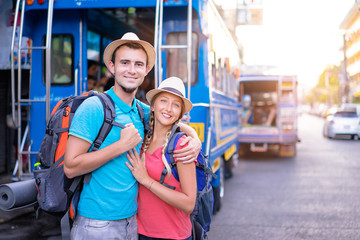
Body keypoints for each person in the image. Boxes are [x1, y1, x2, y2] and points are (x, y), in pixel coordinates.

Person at [64, 32, 201, 240]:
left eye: (138, 64)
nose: (131, 70)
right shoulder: (94, 107)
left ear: (146, 70)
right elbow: (70, 167)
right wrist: (120, 146)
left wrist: (195, 139)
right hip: (97, 223)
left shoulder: (141, 111)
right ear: (112, 67)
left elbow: (170, 118)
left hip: (133, 223)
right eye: (125, 62)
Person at [126, 77, 197, 240]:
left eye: (176, 105)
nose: (169, 109)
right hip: (141, 232)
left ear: (180, 113)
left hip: (173, 235)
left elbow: (188, 204)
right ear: (152, 106)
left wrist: (146, 180)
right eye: (163, 101)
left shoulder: (182, 145)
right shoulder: (142, 138)